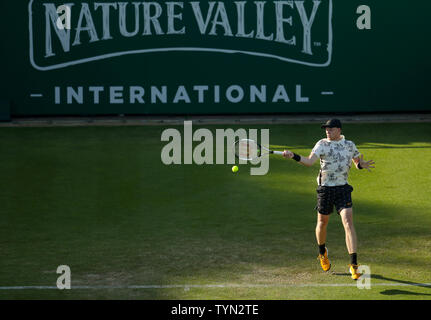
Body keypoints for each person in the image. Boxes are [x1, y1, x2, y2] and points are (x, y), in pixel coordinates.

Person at [283, 119, 375, 280]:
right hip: (325, 189)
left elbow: (356, 162)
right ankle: (322, 252)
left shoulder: (349, 145)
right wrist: (294, 156)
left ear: (338, 130)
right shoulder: (321, 144)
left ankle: (354, 265)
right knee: (322, 223)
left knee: (348, 222)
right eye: (326, 129)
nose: (327, 131)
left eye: (330, 129)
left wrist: (362, 164)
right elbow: (309, 162)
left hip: (343, 188)